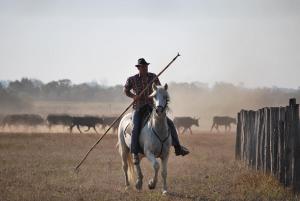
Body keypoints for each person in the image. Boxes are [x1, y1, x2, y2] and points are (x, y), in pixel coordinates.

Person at [124, 58, 189, 162]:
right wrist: (133, 96)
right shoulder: (132, 79)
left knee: (170, 123)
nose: (145, 68)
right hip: (139, 107)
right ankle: (135, 153)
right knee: (135, 127)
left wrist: (157, 94)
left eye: (146, 66)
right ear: (138, 68)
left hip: (152, 107)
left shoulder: (153, 77)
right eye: (143, 67)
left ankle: (178, 148)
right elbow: (125, 90)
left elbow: (159, 89)